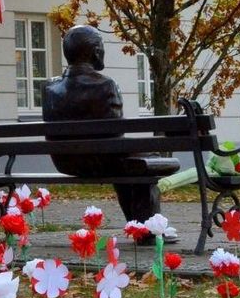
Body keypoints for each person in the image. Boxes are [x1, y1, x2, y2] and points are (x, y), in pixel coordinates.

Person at [42, 25, 177, 223]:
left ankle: (139, 226)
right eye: (102, 46)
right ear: (96, 52)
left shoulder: (49, 88)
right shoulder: (106, 85)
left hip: (65, 162)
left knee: (131, 163)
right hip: (102, 162)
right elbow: (116, 138)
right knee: (142, 163)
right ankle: (149, 227)